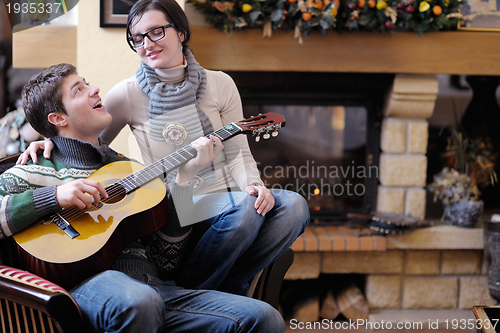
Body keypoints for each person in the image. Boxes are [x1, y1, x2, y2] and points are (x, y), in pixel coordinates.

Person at [18, 0, 310, 297]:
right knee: (246, 211)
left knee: (294, 206)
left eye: (156, 32)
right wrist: (51, 141)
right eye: (138, 38)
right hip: (174, 203)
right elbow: (86, 142)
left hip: (226, 196)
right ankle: (202, 294)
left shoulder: (221, 84)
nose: (147, 44)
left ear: (181, 32)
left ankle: (211, 290)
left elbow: (238, 153)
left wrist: (253, 184)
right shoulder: (127, 93)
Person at [3, 63, 286, 333]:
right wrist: (53, 196)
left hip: (157, 288)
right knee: (139, 301)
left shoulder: (129, 170)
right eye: (79, 89)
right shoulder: (33, 169)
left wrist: (184, 182)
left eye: (87, 83)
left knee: (264, 318)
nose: (95, 89)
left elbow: (165, 261)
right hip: (92, 289)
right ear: (58, 119)